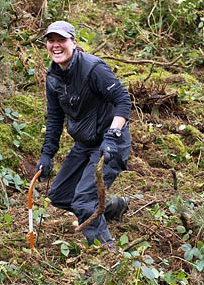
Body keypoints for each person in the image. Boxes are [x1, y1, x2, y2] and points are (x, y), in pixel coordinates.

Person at [36, 21, 131, 250]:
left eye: (62, 40)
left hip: (110, 144)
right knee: (59, 194)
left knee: (83, 200)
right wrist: (47, 155)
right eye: (51, 41)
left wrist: (112, 136)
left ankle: (106, 252)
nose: (56, 46)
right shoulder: (53, 77)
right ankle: (112, 207)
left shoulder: (92, 69)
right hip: (85, 144)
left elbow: (123, 101)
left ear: (74, 43)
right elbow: (55, 118)